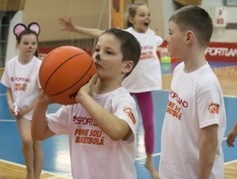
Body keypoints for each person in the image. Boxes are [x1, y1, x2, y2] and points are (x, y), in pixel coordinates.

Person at [59, 1, 162, 178]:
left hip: (145, 86)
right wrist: (75, 28)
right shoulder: (126, 36)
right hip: (128, 86)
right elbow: (101, 34)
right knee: (113, 115)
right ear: (132, 19)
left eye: (148, 15)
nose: (147, 18)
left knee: (149, 125)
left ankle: (150, 161)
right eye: (142, 15)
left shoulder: (153, 36)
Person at [31, 28, 141, 179]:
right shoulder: (76, 100)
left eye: (108, 52)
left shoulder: (122, 101)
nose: (98, 55)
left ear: (127, 66)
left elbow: (117, 131)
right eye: (97, 49)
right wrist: (41, 102)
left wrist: (83, 97)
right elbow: (39, 133)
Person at [159, 5, 226, 179]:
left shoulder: (206, 85)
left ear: (189, 37)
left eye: (171, 32)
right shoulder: (179, 70)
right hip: (173, 171)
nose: (167, 39)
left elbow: (210, 144)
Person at [1, 22, 43, 179]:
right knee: (27, 140)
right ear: (18, 44)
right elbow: (8, 89)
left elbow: (42, 94)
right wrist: (11, 105)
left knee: (37, 143)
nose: (30, 46)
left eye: (33, 43)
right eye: (26, 43)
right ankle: (29, 171)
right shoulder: (11, 64)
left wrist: (28, 109)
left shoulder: (40, 65)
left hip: (37, 108)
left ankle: (35, 176)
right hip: (22, 111)